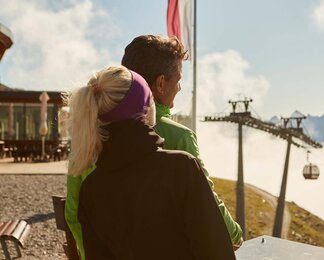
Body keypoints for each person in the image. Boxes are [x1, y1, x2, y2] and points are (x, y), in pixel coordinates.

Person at [65, 35, 242, 259]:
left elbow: (74, 218)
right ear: (146, 111)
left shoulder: (91, 185)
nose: (179, 86)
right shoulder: (182, 167)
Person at [121, 34, 243, 244]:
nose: (179, 88)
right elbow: (208, 205)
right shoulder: (179, 137)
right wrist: (237, 234)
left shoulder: (92, 129)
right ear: (160, 83)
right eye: (178, 80)